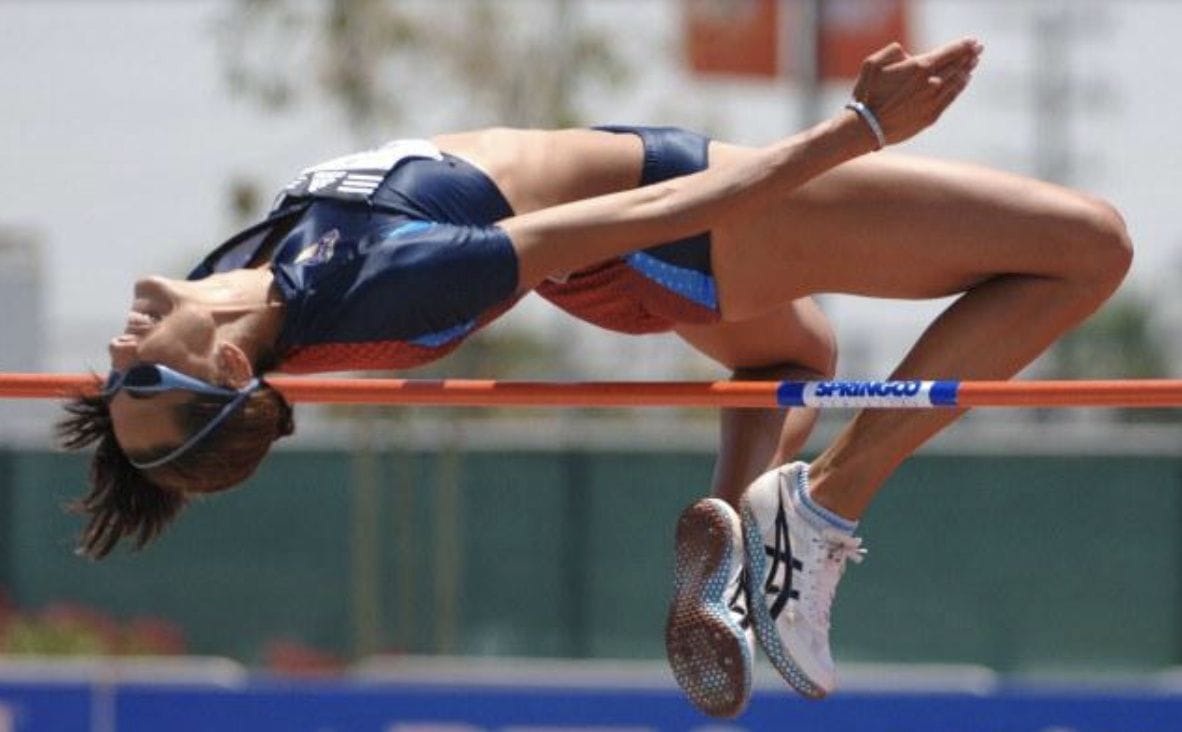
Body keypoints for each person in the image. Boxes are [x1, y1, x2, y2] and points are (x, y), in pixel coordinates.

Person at [58, 38, 1132, 718]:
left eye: (119, 382)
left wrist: (153, 437)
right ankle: (823, 508)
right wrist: (856, 130)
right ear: (230, 367)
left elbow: (199, 423)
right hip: (667, 225)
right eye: (145, 376)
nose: (117, 355)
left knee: (795, 362)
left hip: (620, 250)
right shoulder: (380, 280)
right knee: (1088, 249)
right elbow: (650, 217)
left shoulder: (234, 285)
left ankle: (733, 539)